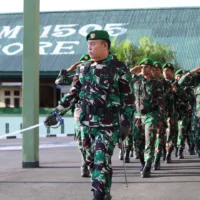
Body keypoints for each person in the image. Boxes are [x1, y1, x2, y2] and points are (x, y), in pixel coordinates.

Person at [44, 30, 134, 200]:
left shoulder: (118, 67)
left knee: (101, 159)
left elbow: (128, 99)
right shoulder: (83, 68)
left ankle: (98, 195)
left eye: (93, 44)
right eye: (88, 45)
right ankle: (104, 192)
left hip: (107, 124)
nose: (89, 48)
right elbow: (73, 94)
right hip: (85, 124)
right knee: (92, 161)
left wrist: (126, 123)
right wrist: (56, 113)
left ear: (105, 45)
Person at [55, 54, 92, 177]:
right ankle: (84, 161)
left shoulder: (95, 76)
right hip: (78, 111)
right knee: (81, 140)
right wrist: (69, 69)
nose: (84, 66)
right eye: (82, 63)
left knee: (93, 139)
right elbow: (59, 81)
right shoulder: (75, 76)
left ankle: (92, 162)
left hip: (93, 112)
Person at [130, 58, 164, 177]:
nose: (144, 69)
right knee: (137, 142)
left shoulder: (157, 83)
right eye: (142, 67)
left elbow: (160, 102)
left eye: (146, 67)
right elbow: (123, 78)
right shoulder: (136, 81)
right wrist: (134, 70)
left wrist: (160, 119)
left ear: (151, 69)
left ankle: (148, 165)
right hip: (138, 115)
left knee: (149, 140)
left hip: (151, 115)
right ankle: (142, 162)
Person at [178, 66, 200, 157]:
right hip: (198, 116)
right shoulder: (197, 77)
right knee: (196, 138)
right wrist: (194, 70)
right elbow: (181, 82)